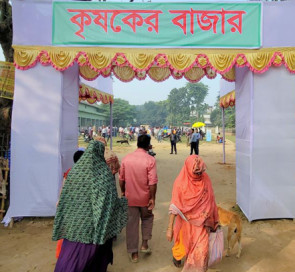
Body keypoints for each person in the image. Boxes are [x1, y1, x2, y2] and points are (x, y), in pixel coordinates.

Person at [52, 140, 128, 272]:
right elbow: (108, 204)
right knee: (92, 260)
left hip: (73, 227)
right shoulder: (104, 175)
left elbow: (65, 197)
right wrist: (122, 204)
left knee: (70, 259)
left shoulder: (74, 172)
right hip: (92, 231)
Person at [166, 155, 219, 271]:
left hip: (202, 224)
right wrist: (170, 228)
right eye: (196, 172)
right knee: (182, 247)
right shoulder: (180, 183)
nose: (199, 175)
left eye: (200, 172)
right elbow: (174, 206)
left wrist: (214, 220)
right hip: (185, 223)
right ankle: (177, 257)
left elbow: (211, 200)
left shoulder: (206, 179)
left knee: (202, 252)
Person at [119, 135, 158, 263]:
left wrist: (124, 191)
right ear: (148, 145)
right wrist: (152, 197)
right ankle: (144, 244)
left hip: (130, 197)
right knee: (147, 218)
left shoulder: (126, 159)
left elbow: (121, 179)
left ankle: (134, 253)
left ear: (137, 144)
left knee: (131, 223)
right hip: (145, 197)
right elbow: (152, 182)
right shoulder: (150, 160)